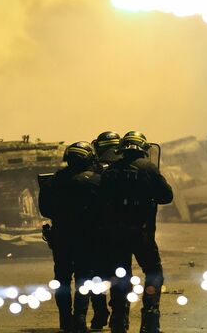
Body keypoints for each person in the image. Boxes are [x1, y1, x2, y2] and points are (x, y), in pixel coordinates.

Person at [101, 132, 173, 333]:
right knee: (153, 272)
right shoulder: (149, 168)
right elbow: (167, 196)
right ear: (143, 148)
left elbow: (100, 201)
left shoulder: (111, 171)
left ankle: (118, 321)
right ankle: (150, 321)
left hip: (116, 235)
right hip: (142, 234)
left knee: (120, 275)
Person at [39, 141, 104, 333]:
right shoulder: (97, 181)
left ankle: (65, 321)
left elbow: (45, 210)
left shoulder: (53, 181)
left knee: (62, 279)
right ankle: (80, 320)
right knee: (84, 278)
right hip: (87, 237)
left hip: (61, 237)